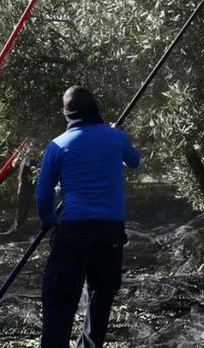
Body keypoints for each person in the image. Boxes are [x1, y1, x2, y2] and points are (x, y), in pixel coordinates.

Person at [36, 86, 141, 348]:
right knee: (101, 297)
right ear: (95, 108)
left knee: (60, 297)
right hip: (111, 232)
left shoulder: (57, 146)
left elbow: (43, 194)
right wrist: (117, 136)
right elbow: (134, 161)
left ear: (67, 113)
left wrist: (49, 219)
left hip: (73, 230)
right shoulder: (116, 137)